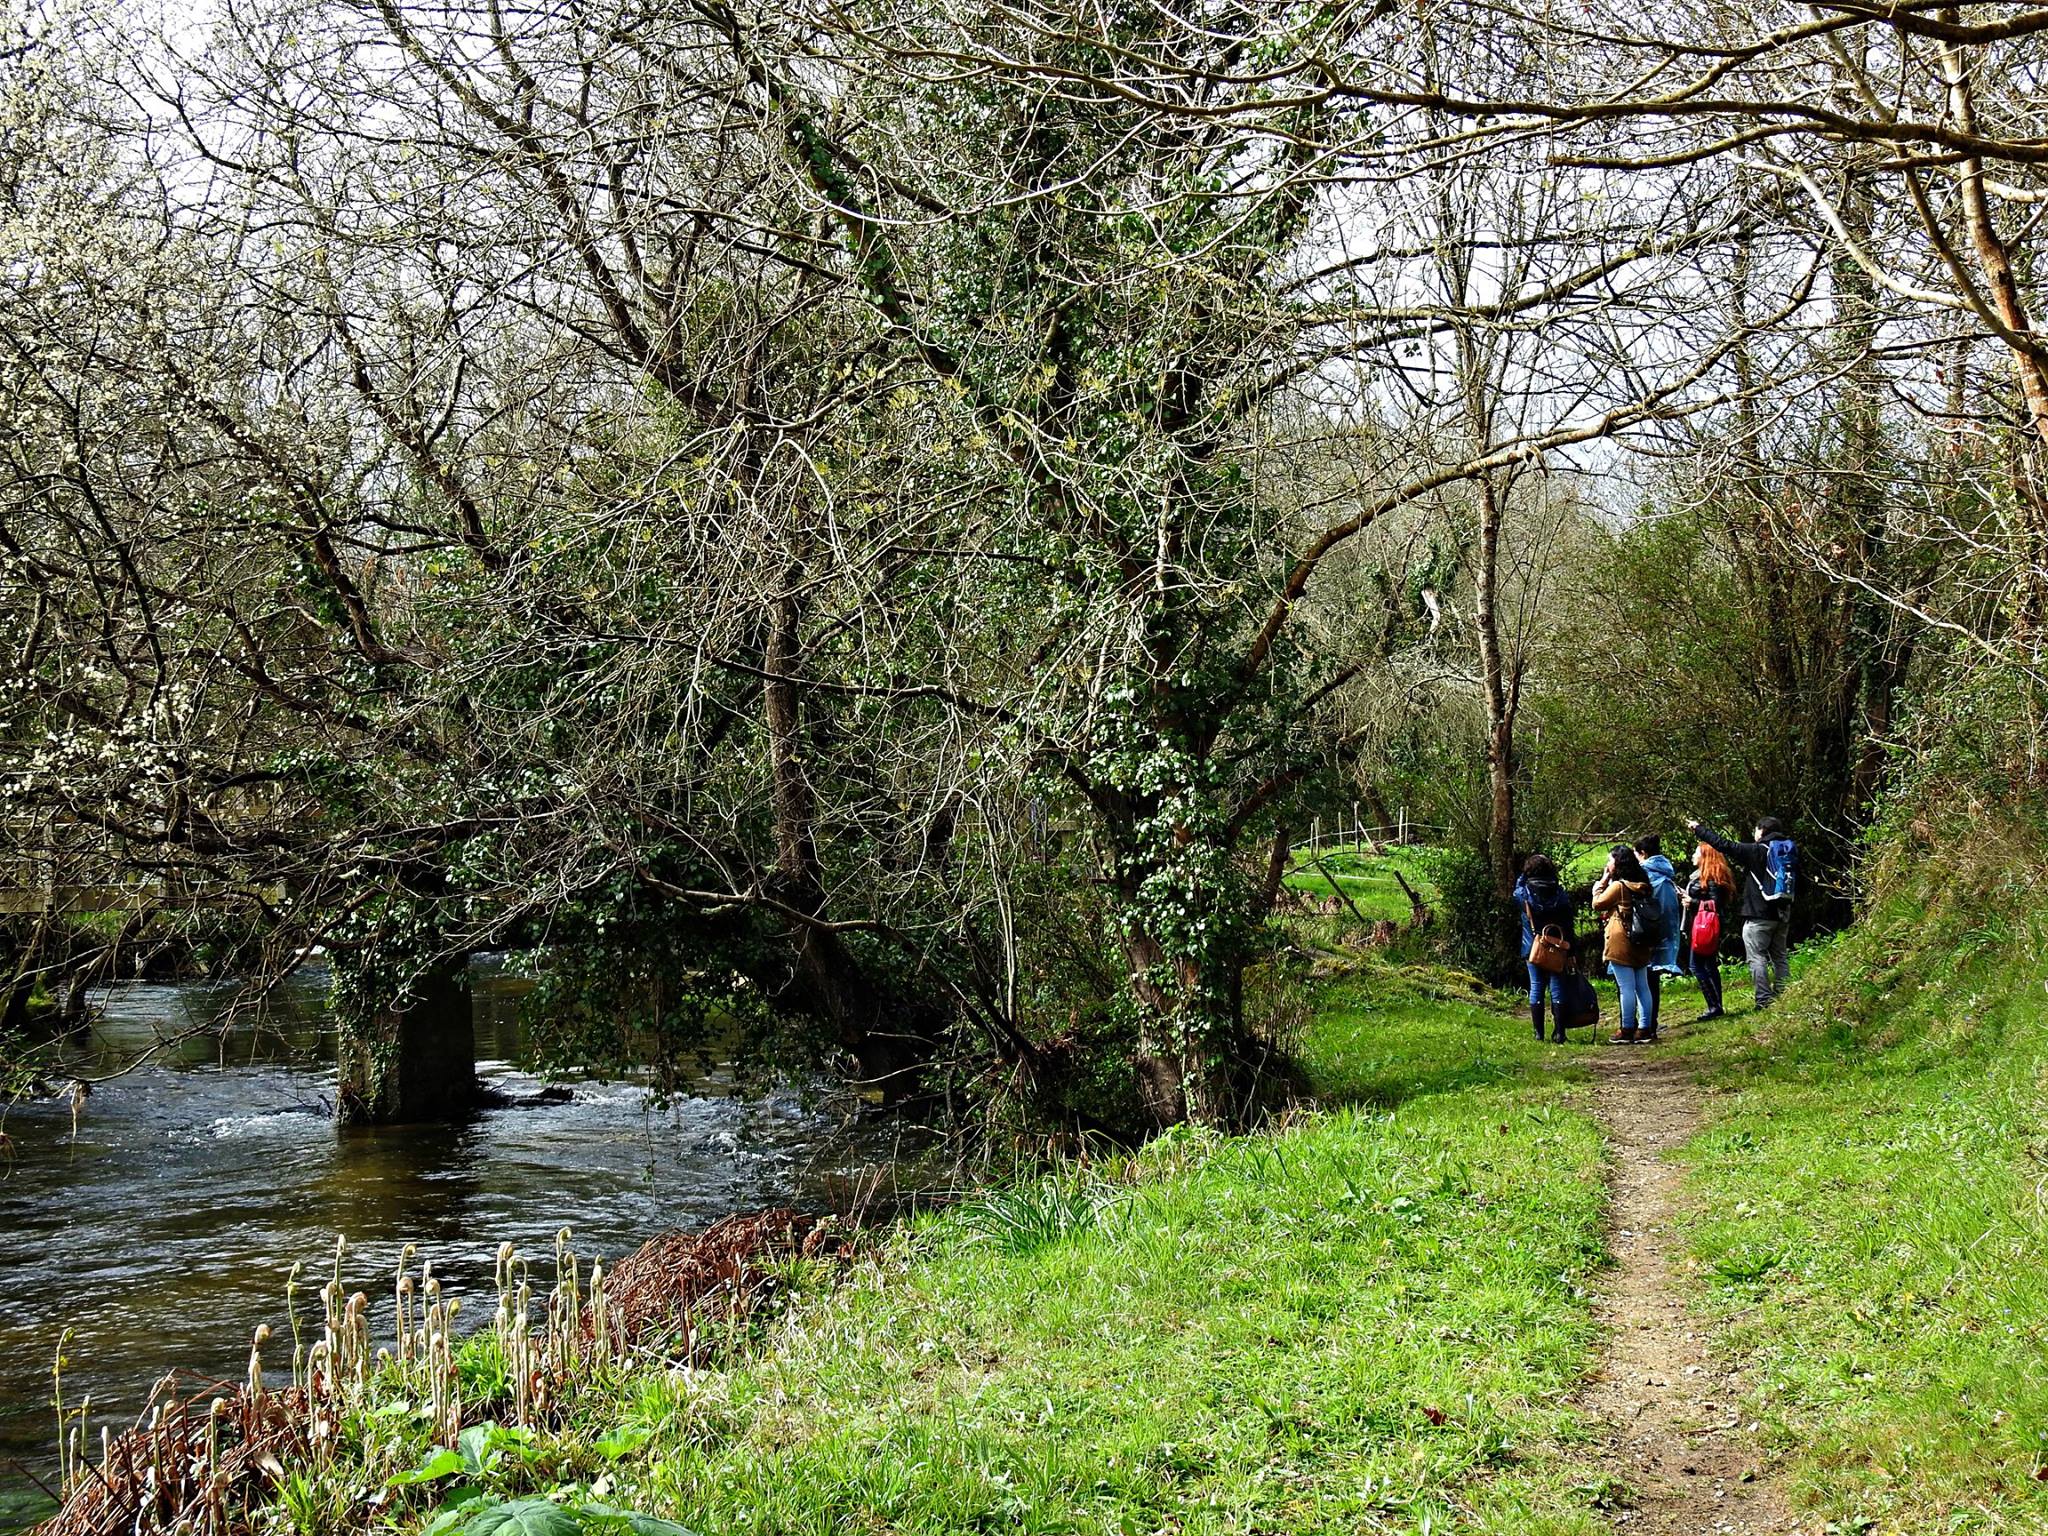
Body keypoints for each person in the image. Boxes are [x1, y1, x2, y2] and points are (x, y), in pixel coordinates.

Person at [1687, 816, 1793, 1008]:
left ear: (1761, 831)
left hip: (1758, 915)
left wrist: (1699, 829)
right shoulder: (1788, 852)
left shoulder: (1757, 850)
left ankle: (1764, 999)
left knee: (1757, 957)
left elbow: (1724, 845)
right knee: (1780, 956)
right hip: (1782, 911)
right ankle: (1785, 994)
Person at [1591, 845, 1655, 1043]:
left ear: (1618, 863)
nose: (1608, 864)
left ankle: (1627, 1028)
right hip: (1641, 939)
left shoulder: (1619, 887)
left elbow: (1598, 903)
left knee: (1626, 987)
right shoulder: (1643, 884)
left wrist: (1601, 882)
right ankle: (1645, 1028)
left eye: (1610, 860)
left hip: (1621, 940)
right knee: (1642, 986)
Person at [1514, 853, 1576, 1042]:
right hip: (1557, 945)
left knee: (1536, 987)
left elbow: (1516, 890)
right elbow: (1568, 922)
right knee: (1557, 987)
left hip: (1533, 945)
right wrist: (1571, 950)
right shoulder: (1559, 893)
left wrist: (1523, 875)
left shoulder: (1524, 892)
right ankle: (1559, 1032)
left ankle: (1538, 1033)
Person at [1633, 835, 1685, 1041]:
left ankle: (1642, 1023)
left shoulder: (1643, 875)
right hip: (1664, 933)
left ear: (1643, 854)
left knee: (1641, 981)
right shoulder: (1667, 874)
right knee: (1652, 981)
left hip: (1645, 934)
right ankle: (1651, 1023)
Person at [1682, 839, 1736, 1021]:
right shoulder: (1702, 877)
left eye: (1696, 852)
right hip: (1700, 925)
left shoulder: (1712, 878)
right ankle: (1716, 1004)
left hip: (1705, 927)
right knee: (1709, 964)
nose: (1693, 855)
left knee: (1696, 965)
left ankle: (1713, 1005)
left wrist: (1693, 902)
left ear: (1705, 856)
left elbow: (1715, 904)